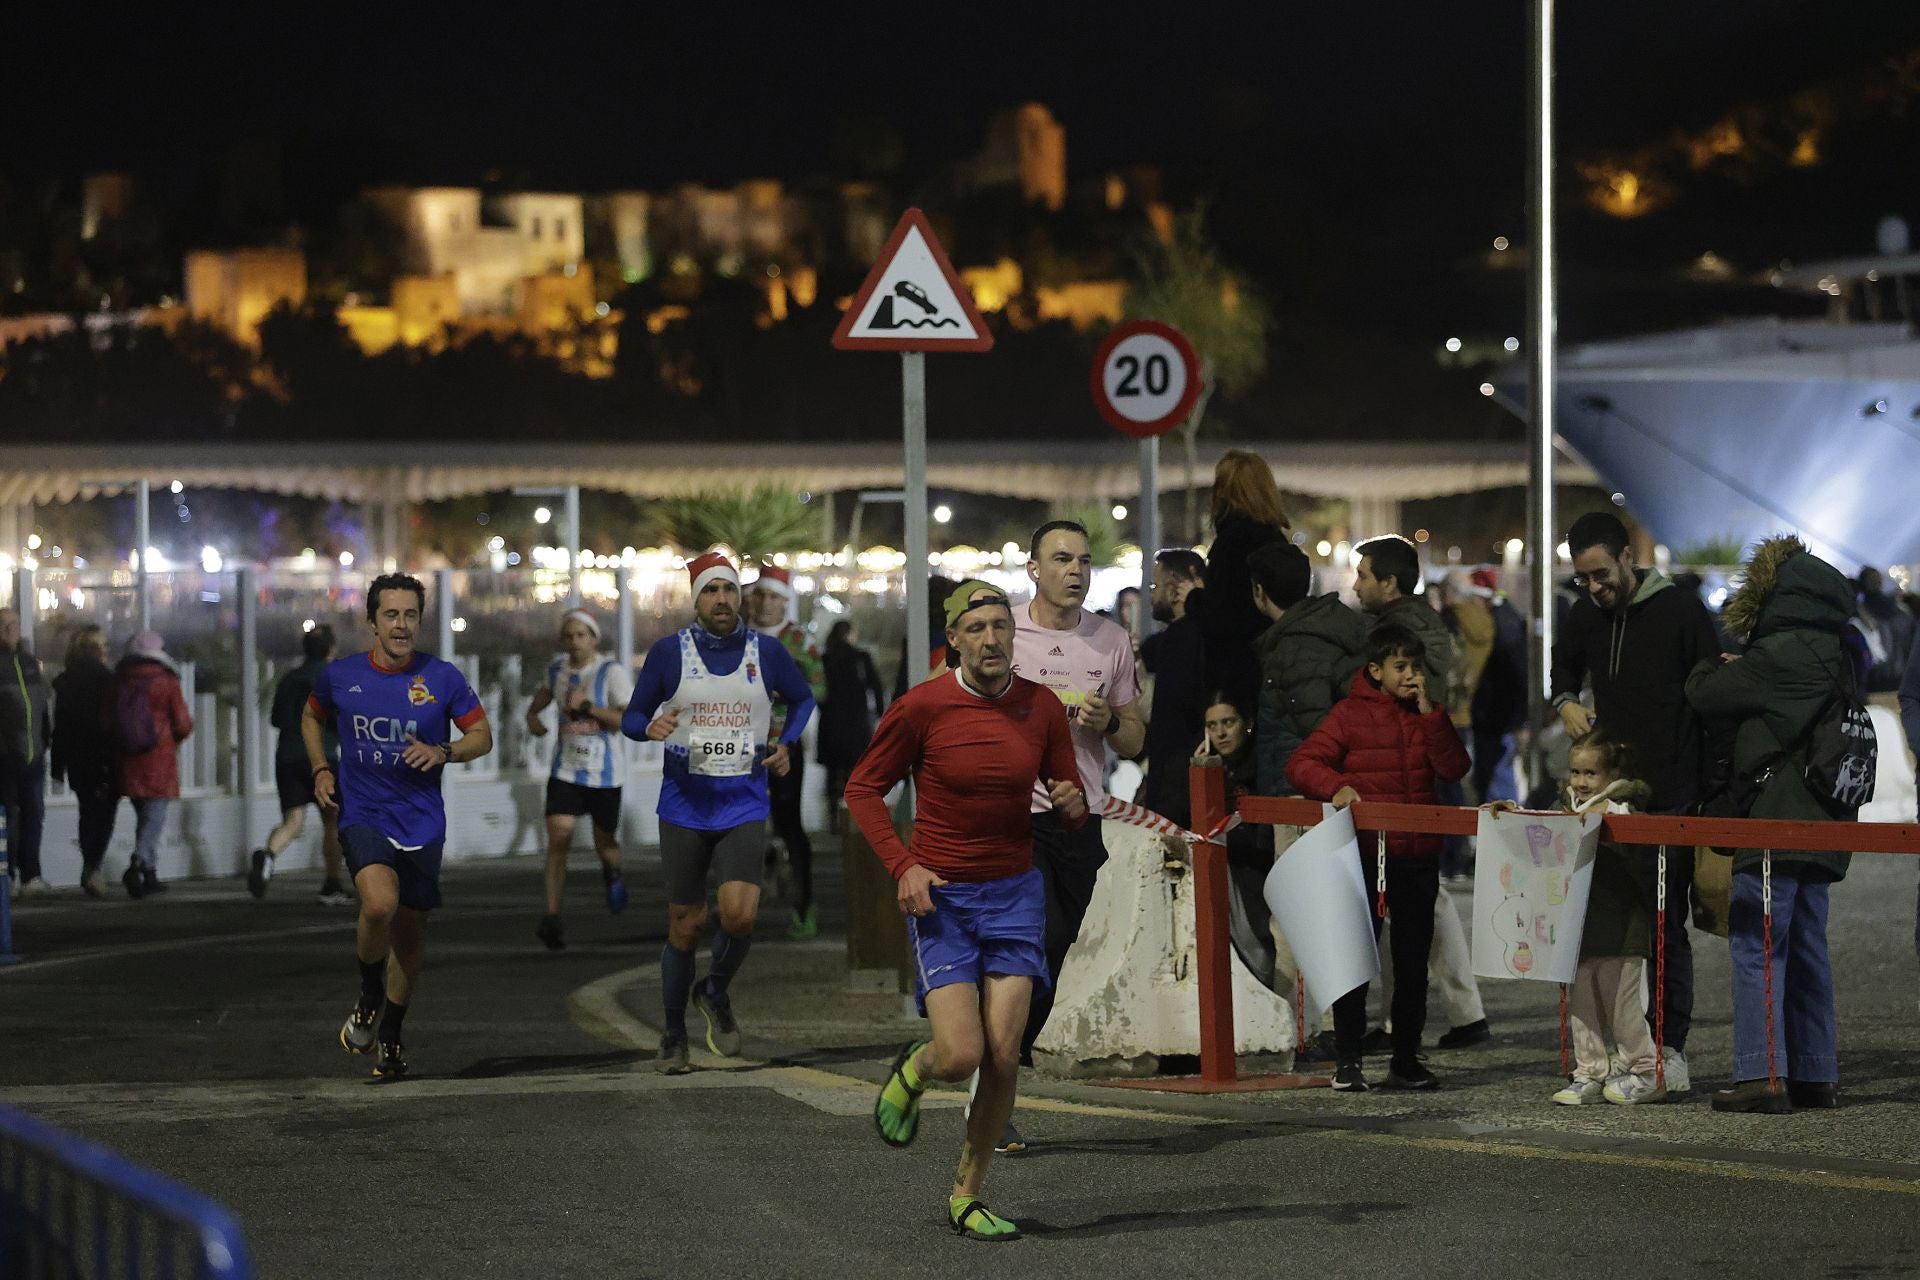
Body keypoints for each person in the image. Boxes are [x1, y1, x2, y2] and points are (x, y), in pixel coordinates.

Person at [856, 581, 1086, 1242]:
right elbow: (863, 788)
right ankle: (917, 1066)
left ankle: (967, 1194)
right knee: (961, 1054)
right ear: (954, 638)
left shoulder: (1041, 707)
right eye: (977, 628)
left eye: (1001, 626)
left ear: (1014, 635)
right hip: (944, 898)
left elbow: (1064, 792)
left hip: (1015, 894)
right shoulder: (921, 707)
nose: (991, 639)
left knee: (1005, 1057)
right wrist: (903, 866)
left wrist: (1072, 808)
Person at [621, 551, 817, 1073]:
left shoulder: (767, 652)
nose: (722, 600)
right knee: (686, 923)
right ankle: (672, 1033)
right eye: (711, 591)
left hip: (743, 801)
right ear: (696, 600)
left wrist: (786, 743)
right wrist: (649, 728)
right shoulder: (669, 653)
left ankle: (715, 990)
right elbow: (633, 715)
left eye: (729, 590)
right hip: (684, 804)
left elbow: (802, 699)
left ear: (740, 597)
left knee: (741, 916)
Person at [1551, 511, 1719, 1096]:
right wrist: (1566, 699)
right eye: (1583, 580)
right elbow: (1562, 670)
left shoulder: (1680, 611)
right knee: (1606, 930)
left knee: (1664, 924)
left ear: (1628, 557)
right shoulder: (1583, 616)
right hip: (1606, 799)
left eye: (1601, 575)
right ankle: (1617, 1056)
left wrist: (1704, 791)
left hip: (1670, 795)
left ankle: (1669, 1047)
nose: (1594, 588)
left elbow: (1710, 699)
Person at [1686, 536, 1854, 1114]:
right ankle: (1815, 1075)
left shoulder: (1778, 653)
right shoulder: (1839, 654)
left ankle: (1760, 1075)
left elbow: (1704, 693)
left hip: (1774, 825)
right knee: (1808, 948)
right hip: (1826, 826)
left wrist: (1717, 661)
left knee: (1756, 947)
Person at [305, 573, 492, 1080]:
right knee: (379, 904)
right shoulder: (342, 676)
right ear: (371, 622)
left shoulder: (442, 678)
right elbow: (311, 716)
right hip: (364, 811)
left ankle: (390, 1037)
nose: (402, 625)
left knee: (409, 934)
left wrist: (443, 750)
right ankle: (368, 994)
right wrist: (322, 768)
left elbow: (482, 736)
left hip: (422, 822)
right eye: (391, 615)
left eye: (410, 615)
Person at [1287, 624, 1471, 1092]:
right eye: (1400, 667)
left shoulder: (1426, 716)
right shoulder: (1349, 715)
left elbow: (1453, 767)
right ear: (1375, 670)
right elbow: (1303, 763)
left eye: (1415, 667)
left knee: (1412, 964)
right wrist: (1337, 787)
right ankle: (1348, 1060)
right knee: (1355, 956)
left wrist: (1431, 714)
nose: (1411, 676)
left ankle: (1405, 1058)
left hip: (1417, 856)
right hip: (1364, 855)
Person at [1009, 520, 1143, 1149]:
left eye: (1084, 561)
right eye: (1061, 559)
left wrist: (1110, 719)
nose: (1076, 571)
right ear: (1033, 568)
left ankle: (1002, 1057)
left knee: (1058, 958)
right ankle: (997, 1078)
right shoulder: (1002, 629)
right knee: (1038, 938)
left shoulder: (1110, 640)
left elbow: (1137, 736)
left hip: (1080, 814)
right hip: (1014, 815)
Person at [1352, 535, 1491, 1052]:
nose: (1356, 585)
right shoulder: (1423, 626)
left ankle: (1451, 1014)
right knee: (1417, 901)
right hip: (1409, 780)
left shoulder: (1400, 638)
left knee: (1422, 900)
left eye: (1363, 575)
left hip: (1409, 783)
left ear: (1389, 583)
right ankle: (1415, 1017)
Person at [1489, 731, 1663, 1105]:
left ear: (1611, 774)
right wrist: (1509, 813)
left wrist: (1611, 819)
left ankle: (1644, 1069)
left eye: (1590, 774)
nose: (1581, 782)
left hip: (1621, 925)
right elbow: (1535, 826)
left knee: (1624, 1007)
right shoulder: (1563, 804)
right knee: (1582, 1005)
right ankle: (1590, 1072)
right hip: (1575, 926)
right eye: (1575, 772)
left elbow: (1634, 829)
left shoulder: (1622, 805)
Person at [524, 609, 632, 951]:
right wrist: (532, 716)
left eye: (581, 635)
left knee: (605, 843)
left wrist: (589, 708)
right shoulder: (557, 670)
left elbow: (626, 720)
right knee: (559, 838)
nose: (574, 642)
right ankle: (552, 916)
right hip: (566, 770)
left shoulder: (610, 673)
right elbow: (543, 694)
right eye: (568, 636)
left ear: (594, 638)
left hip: (604, 773)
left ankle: (612, 872)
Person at [746, 566, 827, 940]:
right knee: (729, 824)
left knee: (789, 823)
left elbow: (819, 689)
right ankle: (734, 904)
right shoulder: (736, 637)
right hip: (736, 744)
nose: (765, 603)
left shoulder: (798, 640)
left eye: (773, 596)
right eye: (760, 595)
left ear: (785, 601)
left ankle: (804, 904)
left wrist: (787, 688)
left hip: (783, 745)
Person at [1182, 450, 1290, 711]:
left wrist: (1194, 596)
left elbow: (1223, 617)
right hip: (1275, 672)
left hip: (1235, 678)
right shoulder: (1279, 543)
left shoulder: (1231, 544)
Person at [251, 624, 350, 904]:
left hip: (288, 757)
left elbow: (276, 719)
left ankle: (268, 856)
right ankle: (332, 885)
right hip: (323, 760)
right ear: (331, 650)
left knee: (293, 821)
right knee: (332, 820)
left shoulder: (290, 679)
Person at [115, 631, 194, 900]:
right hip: (158, 758)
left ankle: (149, 873)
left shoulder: (121, 680)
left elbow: (106, 719)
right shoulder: (167, 681)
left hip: (129, 758)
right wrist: (173, 740)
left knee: (145, 818)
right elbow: (183, 722)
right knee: (155, 819)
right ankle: (138, 863)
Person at [1139, 549, 1209, 827]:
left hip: (1177, 788)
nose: (1152, 595)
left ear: (1174, 587)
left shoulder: (1182, 641)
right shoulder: (1193, 638)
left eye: (1156, 586)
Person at [50, 624, 116, 897]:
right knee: (104, 814)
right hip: (103, 757)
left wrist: (58, 764)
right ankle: (93, 866)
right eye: (104, 646)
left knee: (87, 811)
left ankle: (91, 865)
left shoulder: (66, 682)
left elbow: (61, 727)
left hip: (78, 758)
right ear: (95, 649)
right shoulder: (108, 680)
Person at [0, 608, 51, 896]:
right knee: (7, 815)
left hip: (32, 754)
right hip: (5, 756)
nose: (9, 631)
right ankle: (7, 874)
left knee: (34, 813)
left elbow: (41, 706)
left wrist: (45, 738)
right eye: (4, 626)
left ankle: (31, 874)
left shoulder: (29, 663)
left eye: (13, 625)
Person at [817, 619, 884, 835]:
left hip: (831, 722)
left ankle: (833, 817)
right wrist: (881, 714)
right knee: (854, 770)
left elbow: (818, 691)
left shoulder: (825, 659)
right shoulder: (861, 658)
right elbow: (876, 687)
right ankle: (853, 819)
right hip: (856, 722)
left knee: (833, 771)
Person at [1856, 566, 1914, 694]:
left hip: (1892, 675)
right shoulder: (1861, 613)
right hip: (1881, 676)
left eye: (1877, 578)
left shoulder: (1897, 612)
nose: (1876, 581)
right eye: (1872, 579)